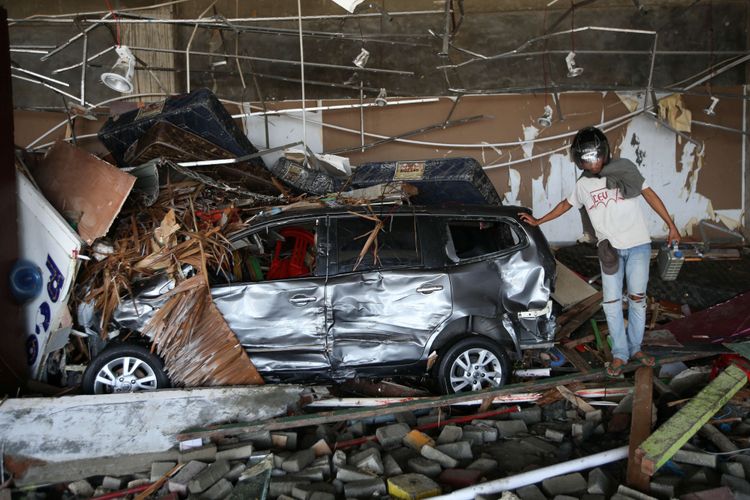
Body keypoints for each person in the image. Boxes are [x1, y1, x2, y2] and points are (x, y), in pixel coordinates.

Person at [519, 126, 680, 377]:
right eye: (586, 158)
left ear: (604, 152)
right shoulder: (583, 185)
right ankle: (620, 354)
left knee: (637, 300)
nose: (592, 162)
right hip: (609, 250)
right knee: (612, 304)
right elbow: (566, 204)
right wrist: (539, 221)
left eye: (595, 156)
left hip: (638, 246)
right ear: (579, 160)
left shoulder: (626, 169)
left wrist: (671, 226)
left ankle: (636, 348)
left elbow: (650, 195)